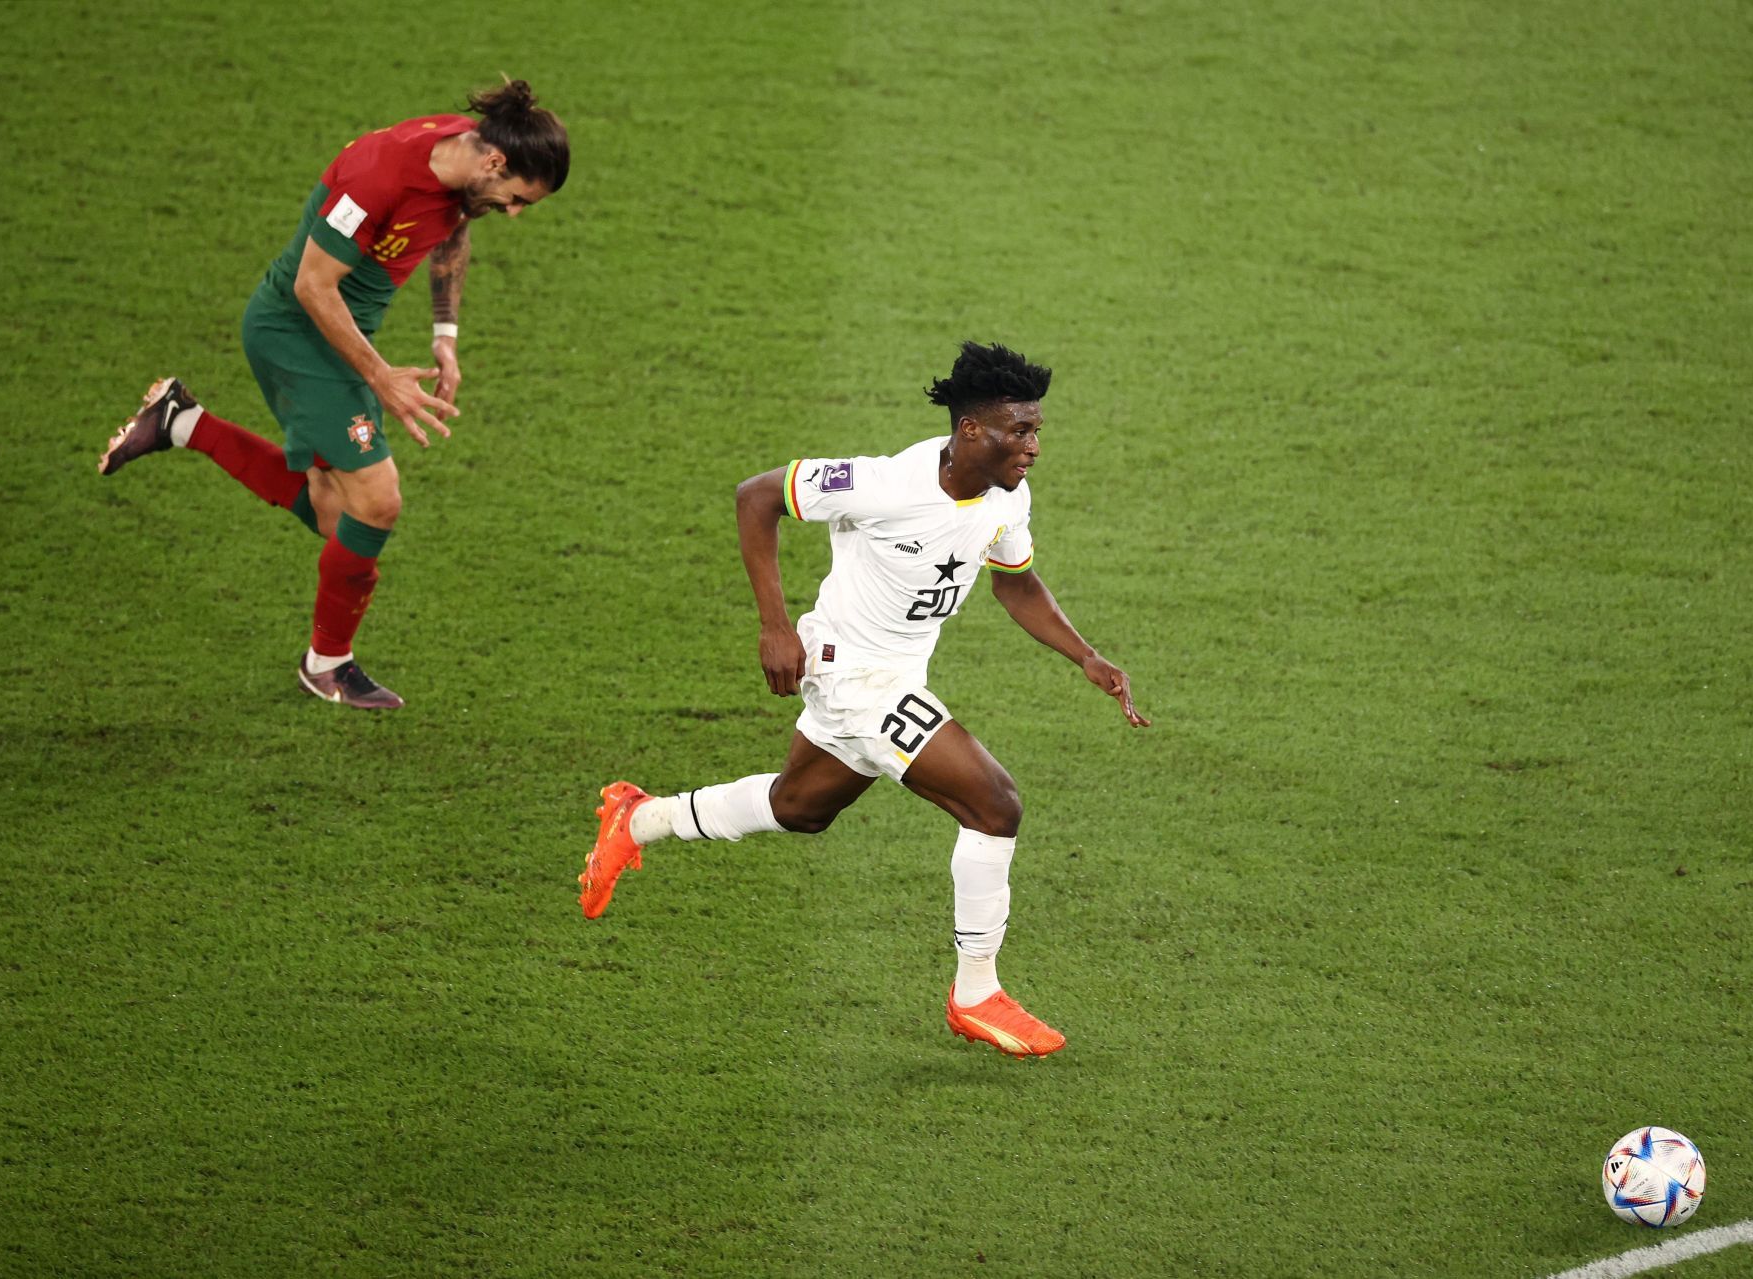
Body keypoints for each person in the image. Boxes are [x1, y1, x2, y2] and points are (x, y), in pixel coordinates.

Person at [581, 341, 1150, 1058]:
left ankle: (640, 818)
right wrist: (773, 624)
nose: (1034, 446)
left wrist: (1086, 655)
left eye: (1037, 430)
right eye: (1022, 430)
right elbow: (756, 496)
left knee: (800, 807)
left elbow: (1015, 582)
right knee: (995, 803)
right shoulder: (881, 483)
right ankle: (976, 991)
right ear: (971, 429)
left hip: (898, 676)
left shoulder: (1008, 494)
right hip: (851, 675)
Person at [98, 79, 570, 709]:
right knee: (377, 502)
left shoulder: (463, 165)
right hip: (298, 336)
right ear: (494, 161)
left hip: (337, 337)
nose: (513, 211)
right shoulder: (381, 174)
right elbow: (312, 286)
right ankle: (327, 665)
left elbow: (455, 224)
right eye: (518, 199)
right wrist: (380, 378)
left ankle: (183, 422)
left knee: (334, 514)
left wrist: (445, 335)